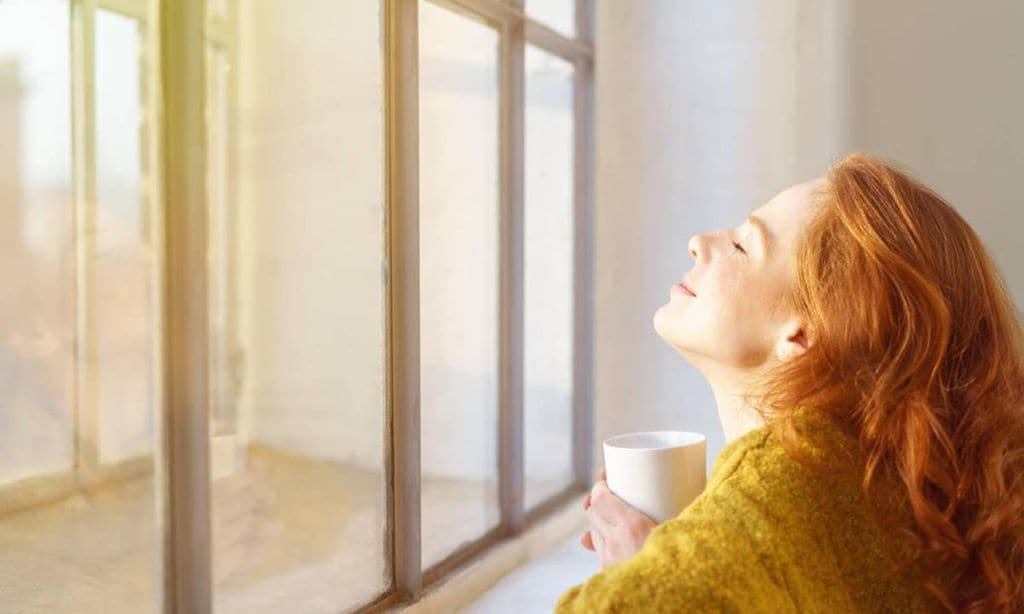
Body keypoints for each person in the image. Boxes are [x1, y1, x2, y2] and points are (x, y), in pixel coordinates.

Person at [555, 152, 1024, 613]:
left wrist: (660, 573)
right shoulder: (890, 483)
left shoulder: (774, 494)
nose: (700, 242)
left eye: (742, 246)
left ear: (801, 333)